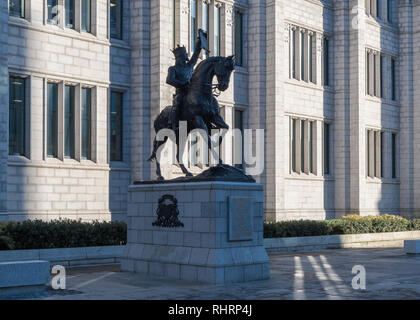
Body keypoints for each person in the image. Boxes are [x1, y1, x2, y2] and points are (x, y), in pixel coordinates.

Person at [166, 30, 205, 131]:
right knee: (177, 104)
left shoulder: (190, 66)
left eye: (185, 56)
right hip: (181, 93)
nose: (184, 58)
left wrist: (199, 41)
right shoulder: (173, 69)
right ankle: (173, 125)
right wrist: (182, 84)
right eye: (183, 56)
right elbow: (169, 80)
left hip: (191, 92)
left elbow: (196, 53)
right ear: (178, 58)